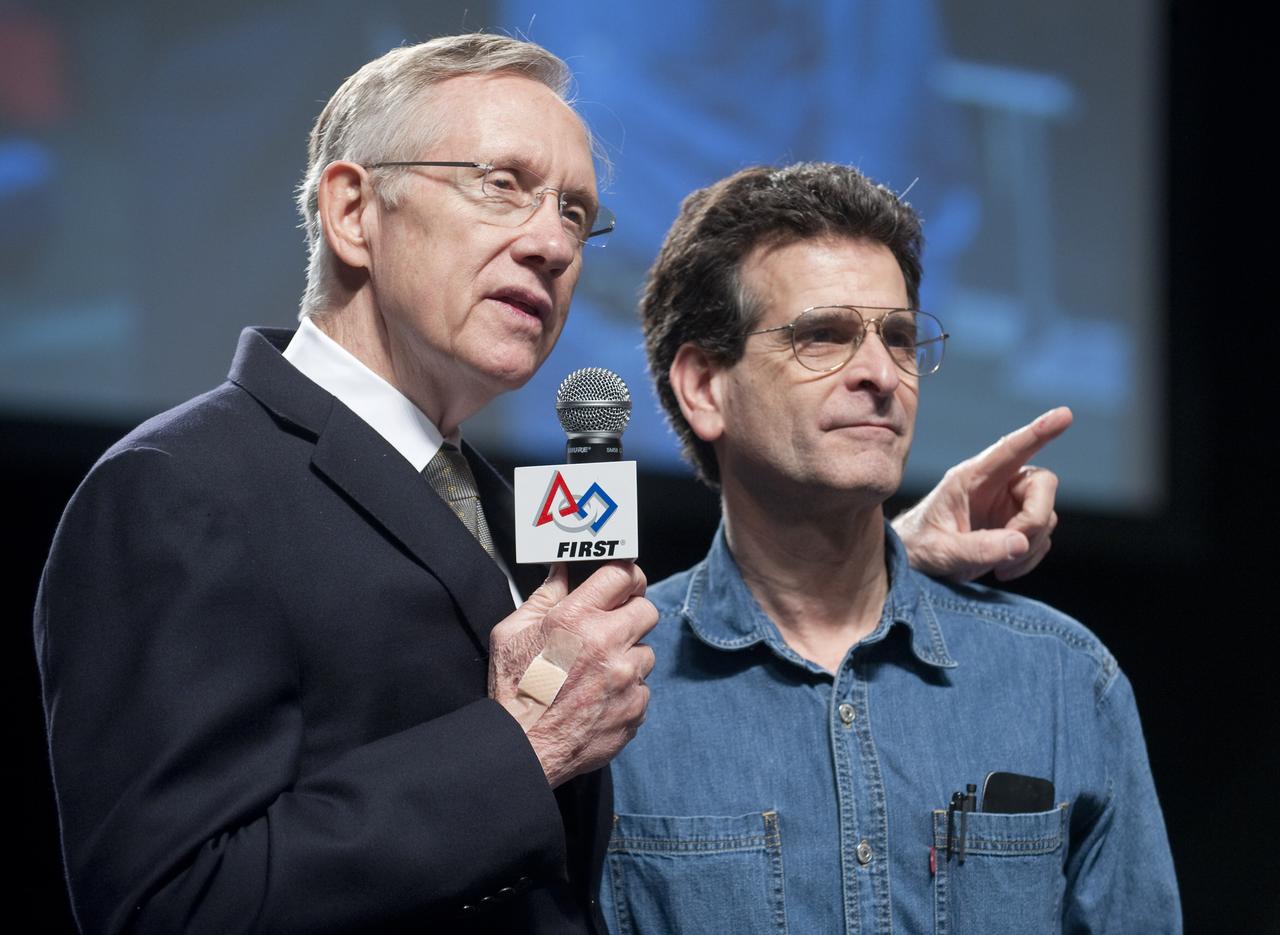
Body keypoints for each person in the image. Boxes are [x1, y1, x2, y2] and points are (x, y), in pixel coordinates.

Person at [35, 35, 1065, 935]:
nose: (552, 241)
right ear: (353, 211)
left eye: (577, 212)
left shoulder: (487, 498)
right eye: (501, 184)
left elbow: (652, 655)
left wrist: (881, 560)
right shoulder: (180, 487)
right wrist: (516, 745)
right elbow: (167, 900)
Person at [602, 163, 1178, 933]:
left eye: (900, 338)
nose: (880, 373)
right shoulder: (608, 692)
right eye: (825, 336)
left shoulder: (1062, 681)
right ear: (705, 386)